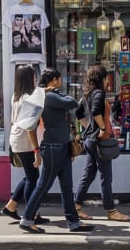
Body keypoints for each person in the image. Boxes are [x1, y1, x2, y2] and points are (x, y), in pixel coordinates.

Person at [19, 69, 92, 234]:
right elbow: (72, 102)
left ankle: (73, 222)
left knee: (67, 187)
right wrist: (57, 91)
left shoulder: (48, 95)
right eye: (59, 79)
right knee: (43, 185)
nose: (61, 82)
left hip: (61, 146)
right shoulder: (51, 96)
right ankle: (27, 219)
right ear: (53, 80)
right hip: (53, 147)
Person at [73, 64, 129, 222]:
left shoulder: (87, 94)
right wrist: (102, 128)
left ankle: (76, 206)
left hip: (91, 140)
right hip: (99, 141)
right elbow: (96, 111)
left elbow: (78, 113)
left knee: (89, 174)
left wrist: (89, 127)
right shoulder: (98, 93)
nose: (108, 81)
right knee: (106, 176)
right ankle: (111, 211)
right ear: (102, 79)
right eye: (106, 78)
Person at [0, 65, 45, 223]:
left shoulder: (16, 96)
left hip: (16, 138)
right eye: (34, 76)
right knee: (33, 178)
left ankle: (11, 206)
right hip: (24, 140)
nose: (36, 79)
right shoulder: (28, 99)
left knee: (30, 175)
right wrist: (36, 150)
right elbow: (30, 127)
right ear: (29, 78)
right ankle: (31, 214)